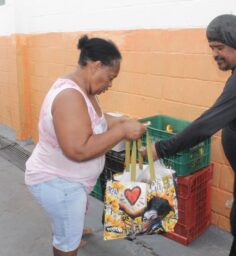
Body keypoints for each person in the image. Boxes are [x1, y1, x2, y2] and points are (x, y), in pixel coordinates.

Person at [143, 14, 236, 256]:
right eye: (212, 48)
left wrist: (160, 148)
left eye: (220, 47)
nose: (215, 54)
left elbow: (207, 123)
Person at [25, 35, 146, 256]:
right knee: (66, 244)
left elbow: (95, 120)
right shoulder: (70, 97)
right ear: (96, 65)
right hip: (57, 182)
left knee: (68, 221)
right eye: (110, 77)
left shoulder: (84, 90)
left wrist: (120, 122)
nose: (110, 84)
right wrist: (121, 131)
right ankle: (67, 239)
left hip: (69, 181)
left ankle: (71, 228)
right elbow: (78, 150)